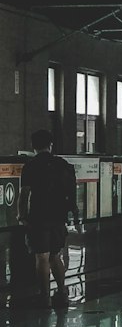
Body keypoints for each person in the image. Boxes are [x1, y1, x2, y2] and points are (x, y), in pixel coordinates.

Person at [16, 129, 79, 310]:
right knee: (55, 255)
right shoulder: (63, 164)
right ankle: (62, 292)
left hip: (38, 216)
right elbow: (71, 192)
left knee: (41, 258)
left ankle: (45, 298)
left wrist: (22, 215)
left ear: (33, 146)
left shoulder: (30, 166)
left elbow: (24, 193)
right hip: (58, 216)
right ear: (51, 145)